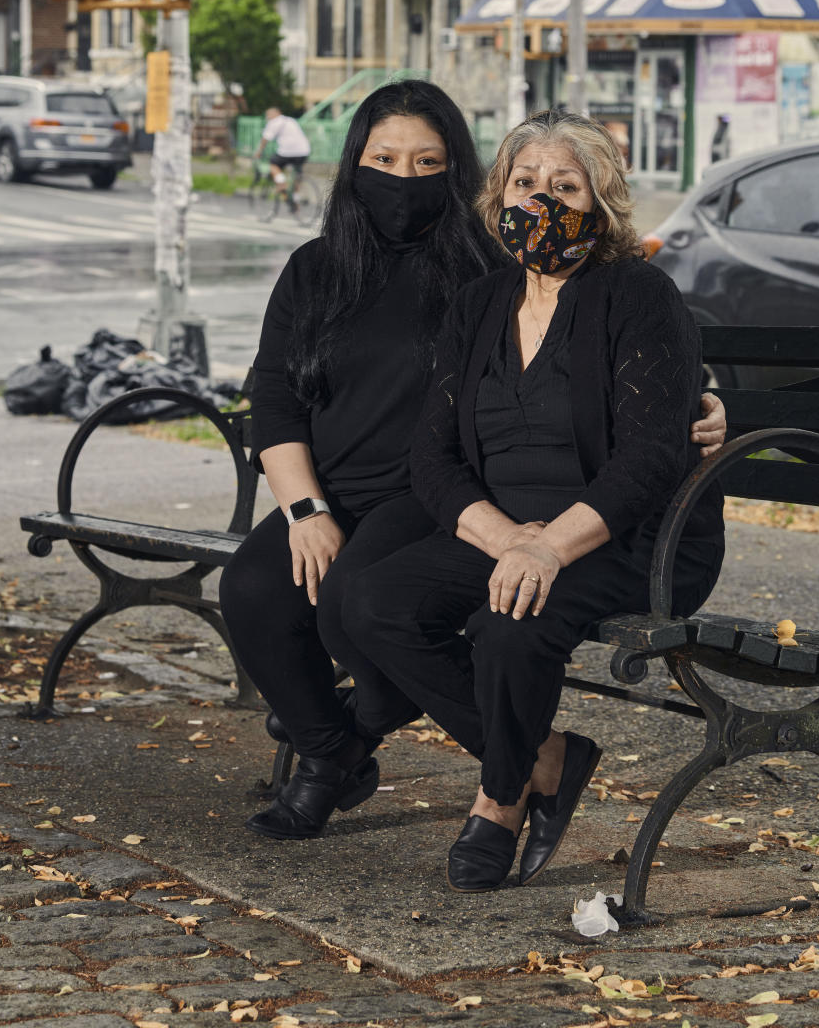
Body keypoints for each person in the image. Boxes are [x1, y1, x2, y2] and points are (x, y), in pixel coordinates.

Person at [220, 85, 728, 845]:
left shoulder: (491, 259)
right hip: (377, 493)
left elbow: (634, 348)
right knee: (257, 588)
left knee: (368, 607)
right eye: (384, 159)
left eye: (427, 161)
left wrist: (713, 397)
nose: (403, 176)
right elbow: (275, 398)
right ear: (353, 163)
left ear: (456, 170)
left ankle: (424, 749)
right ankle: (340, 752)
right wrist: (305, 511)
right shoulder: (325, 269)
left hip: (444, 498)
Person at [258, 106, 311, 190]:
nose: (267, 117)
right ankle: (295, 196)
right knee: (297, 173)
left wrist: (259, 152)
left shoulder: (273, 122)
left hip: (287, 152)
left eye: (269, 114)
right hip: (304, 151)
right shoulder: (291, 120)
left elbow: (265, 139)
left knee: (273, 165)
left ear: (277, 113)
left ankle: (282, 185)